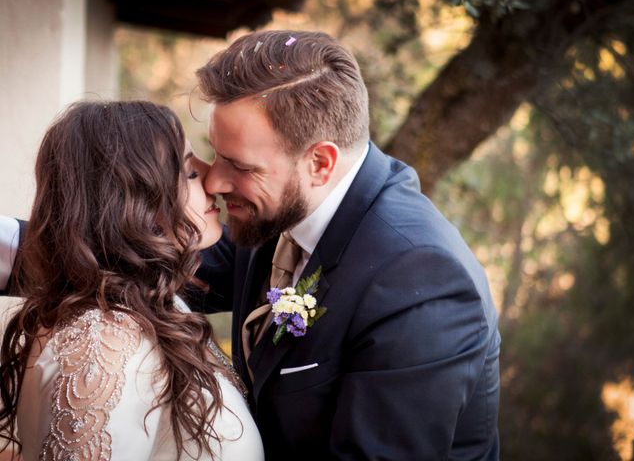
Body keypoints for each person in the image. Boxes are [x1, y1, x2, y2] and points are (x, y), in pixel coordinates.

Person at [190, 30, 501, 459]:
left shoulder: (423, 282)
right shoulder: (278, 205)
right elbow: (182, 270)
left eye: (239, 166)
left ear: (320, 163)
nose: (214, 181)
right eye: (215, 154)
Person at [0, 101, 264, 460]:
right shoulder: (102, 340)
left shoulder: (160, 304)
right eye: (188, 172)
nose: (212, 180)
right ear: (128, 202)